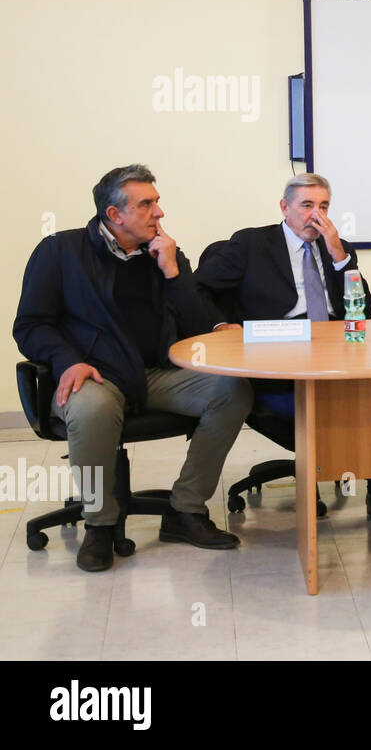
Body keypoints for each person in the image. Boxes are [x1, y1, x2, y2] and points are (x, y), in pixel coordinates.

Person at [13, 165, 252, 572]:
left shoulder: (164, 255)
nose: (158, 212)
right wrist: (69, 360)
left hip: (153, 373)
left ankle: (185, 510)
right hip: (95, 374)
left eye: (157, 202)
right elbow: (30, 325)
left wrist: (173, 273)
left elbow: (196, 328)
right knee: (92, 409)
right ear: (114, 215)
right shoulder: (61, 251)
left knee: (233, 389)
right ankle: (100, 524)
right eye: (146, 204)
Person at [193, 174, 371, 525]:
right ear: (285, 208)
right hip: (277, 354)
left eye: (323, 207)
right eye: (306, 206)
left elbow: (363, 312)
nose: (315, 215)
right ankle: (323, 470)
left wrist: (339, 255)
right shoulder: (251, 244)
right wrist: (220, 325)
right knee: (312, 407)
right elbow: (197, 288)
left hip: (334, 350)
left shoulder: (337, 246)